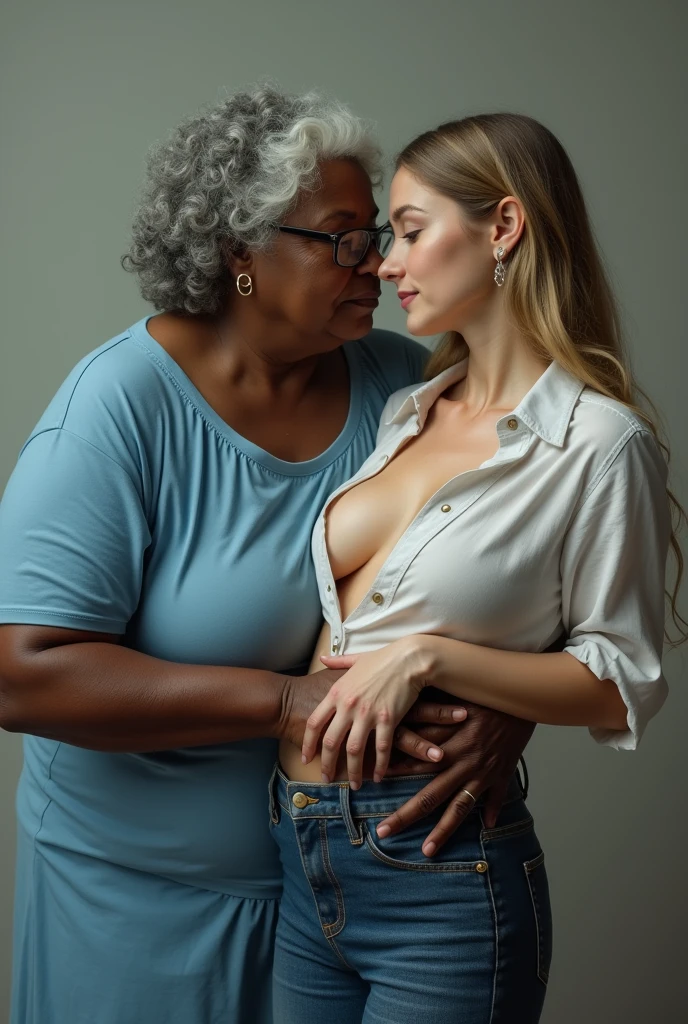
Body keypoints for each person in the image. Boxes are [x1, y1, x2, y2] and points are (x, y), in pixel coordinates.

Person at [0, 90, 534, 1024]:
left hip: (354, 901)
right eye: (341, 237)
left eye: (376, 232)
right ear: (238, 252)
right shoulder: (118, 409)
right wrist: (286, 700)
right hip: (138, 905)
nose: (378, 260)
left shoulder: (409, 393)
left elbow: (524, 579)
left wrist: (509, 710)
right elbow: (22, 674)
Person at [272, 113, 685, 1024]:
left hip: (437, 873)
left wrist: (431, 658)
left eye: (412, 233)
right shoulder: (406, 409)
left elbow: (621, 683)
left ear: (502, 228)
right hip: (300, 854)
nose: (385, 263)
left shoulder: (600, 446)